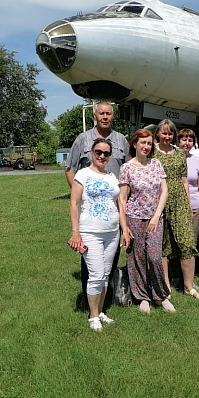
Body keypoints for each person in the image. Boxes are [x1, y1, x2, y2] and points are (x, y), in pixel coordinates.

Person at [65, 102, 130, 303]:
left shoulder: (121, 140)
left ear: (112, 117)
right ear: (95, 115)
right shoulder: (83, 139)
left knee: (111, 254)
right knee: (90, 257)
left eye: (108, 113)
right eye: (101, 113)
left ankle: (106, 296)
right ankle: (88, 295)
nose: (105, 116)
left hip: (115, 206)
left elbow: (128, 170)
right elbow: (70, 168)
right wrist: (81, 194)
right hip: (91, 209)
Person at [118, 129, 175, 314]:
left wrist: (157, 215)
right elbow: (122, 199)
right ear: (135, 144)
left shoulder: (156, 164)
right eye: (142, 143)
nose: (146, 146)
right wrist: (124, 226)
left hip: (155, 218)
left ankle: (160, 295)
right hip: (134, 218)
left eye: (149, 143)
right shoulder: (127, 167)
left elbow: (164, 191)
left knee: (155, 257)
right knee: (137, 259)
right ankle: (142, 297)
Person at [68, 139, 122, 332]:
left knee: (106, 274)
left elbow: (119, 204)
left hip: (112, 232)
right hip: (90, 232)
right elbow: (73, 203)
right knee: (96, 274)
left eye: (106, 153)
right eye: (98, 152)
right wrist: (76, 233)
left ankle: (100, 311)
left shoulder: (112, 176)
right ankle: (92, 317)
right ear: (92, 152)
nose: (102, 156)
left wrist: (123, 228)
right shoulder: (83, 174)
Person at [154, 120, 199, 301]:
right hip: (159, 200)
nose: (167, 137)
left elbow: (184, 180)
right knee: (163, 244)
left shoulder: (179, 153)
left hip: (180, 202)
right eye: (164, 133)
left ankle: (188, 286)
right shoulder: (152, 153)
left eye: (170, 134)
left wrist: (188, 204)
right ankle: (165, 285)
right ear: (158, 133)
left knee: (186, 242)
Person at [177, 127, 199, 246]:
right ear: (178, 141)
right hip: (176, 207)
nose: (187, 143)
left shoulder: (198, 161)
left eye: (190, 140)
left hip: (194, 207)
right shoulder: (172, 159)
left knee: (191, 243)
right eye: (184, 140)